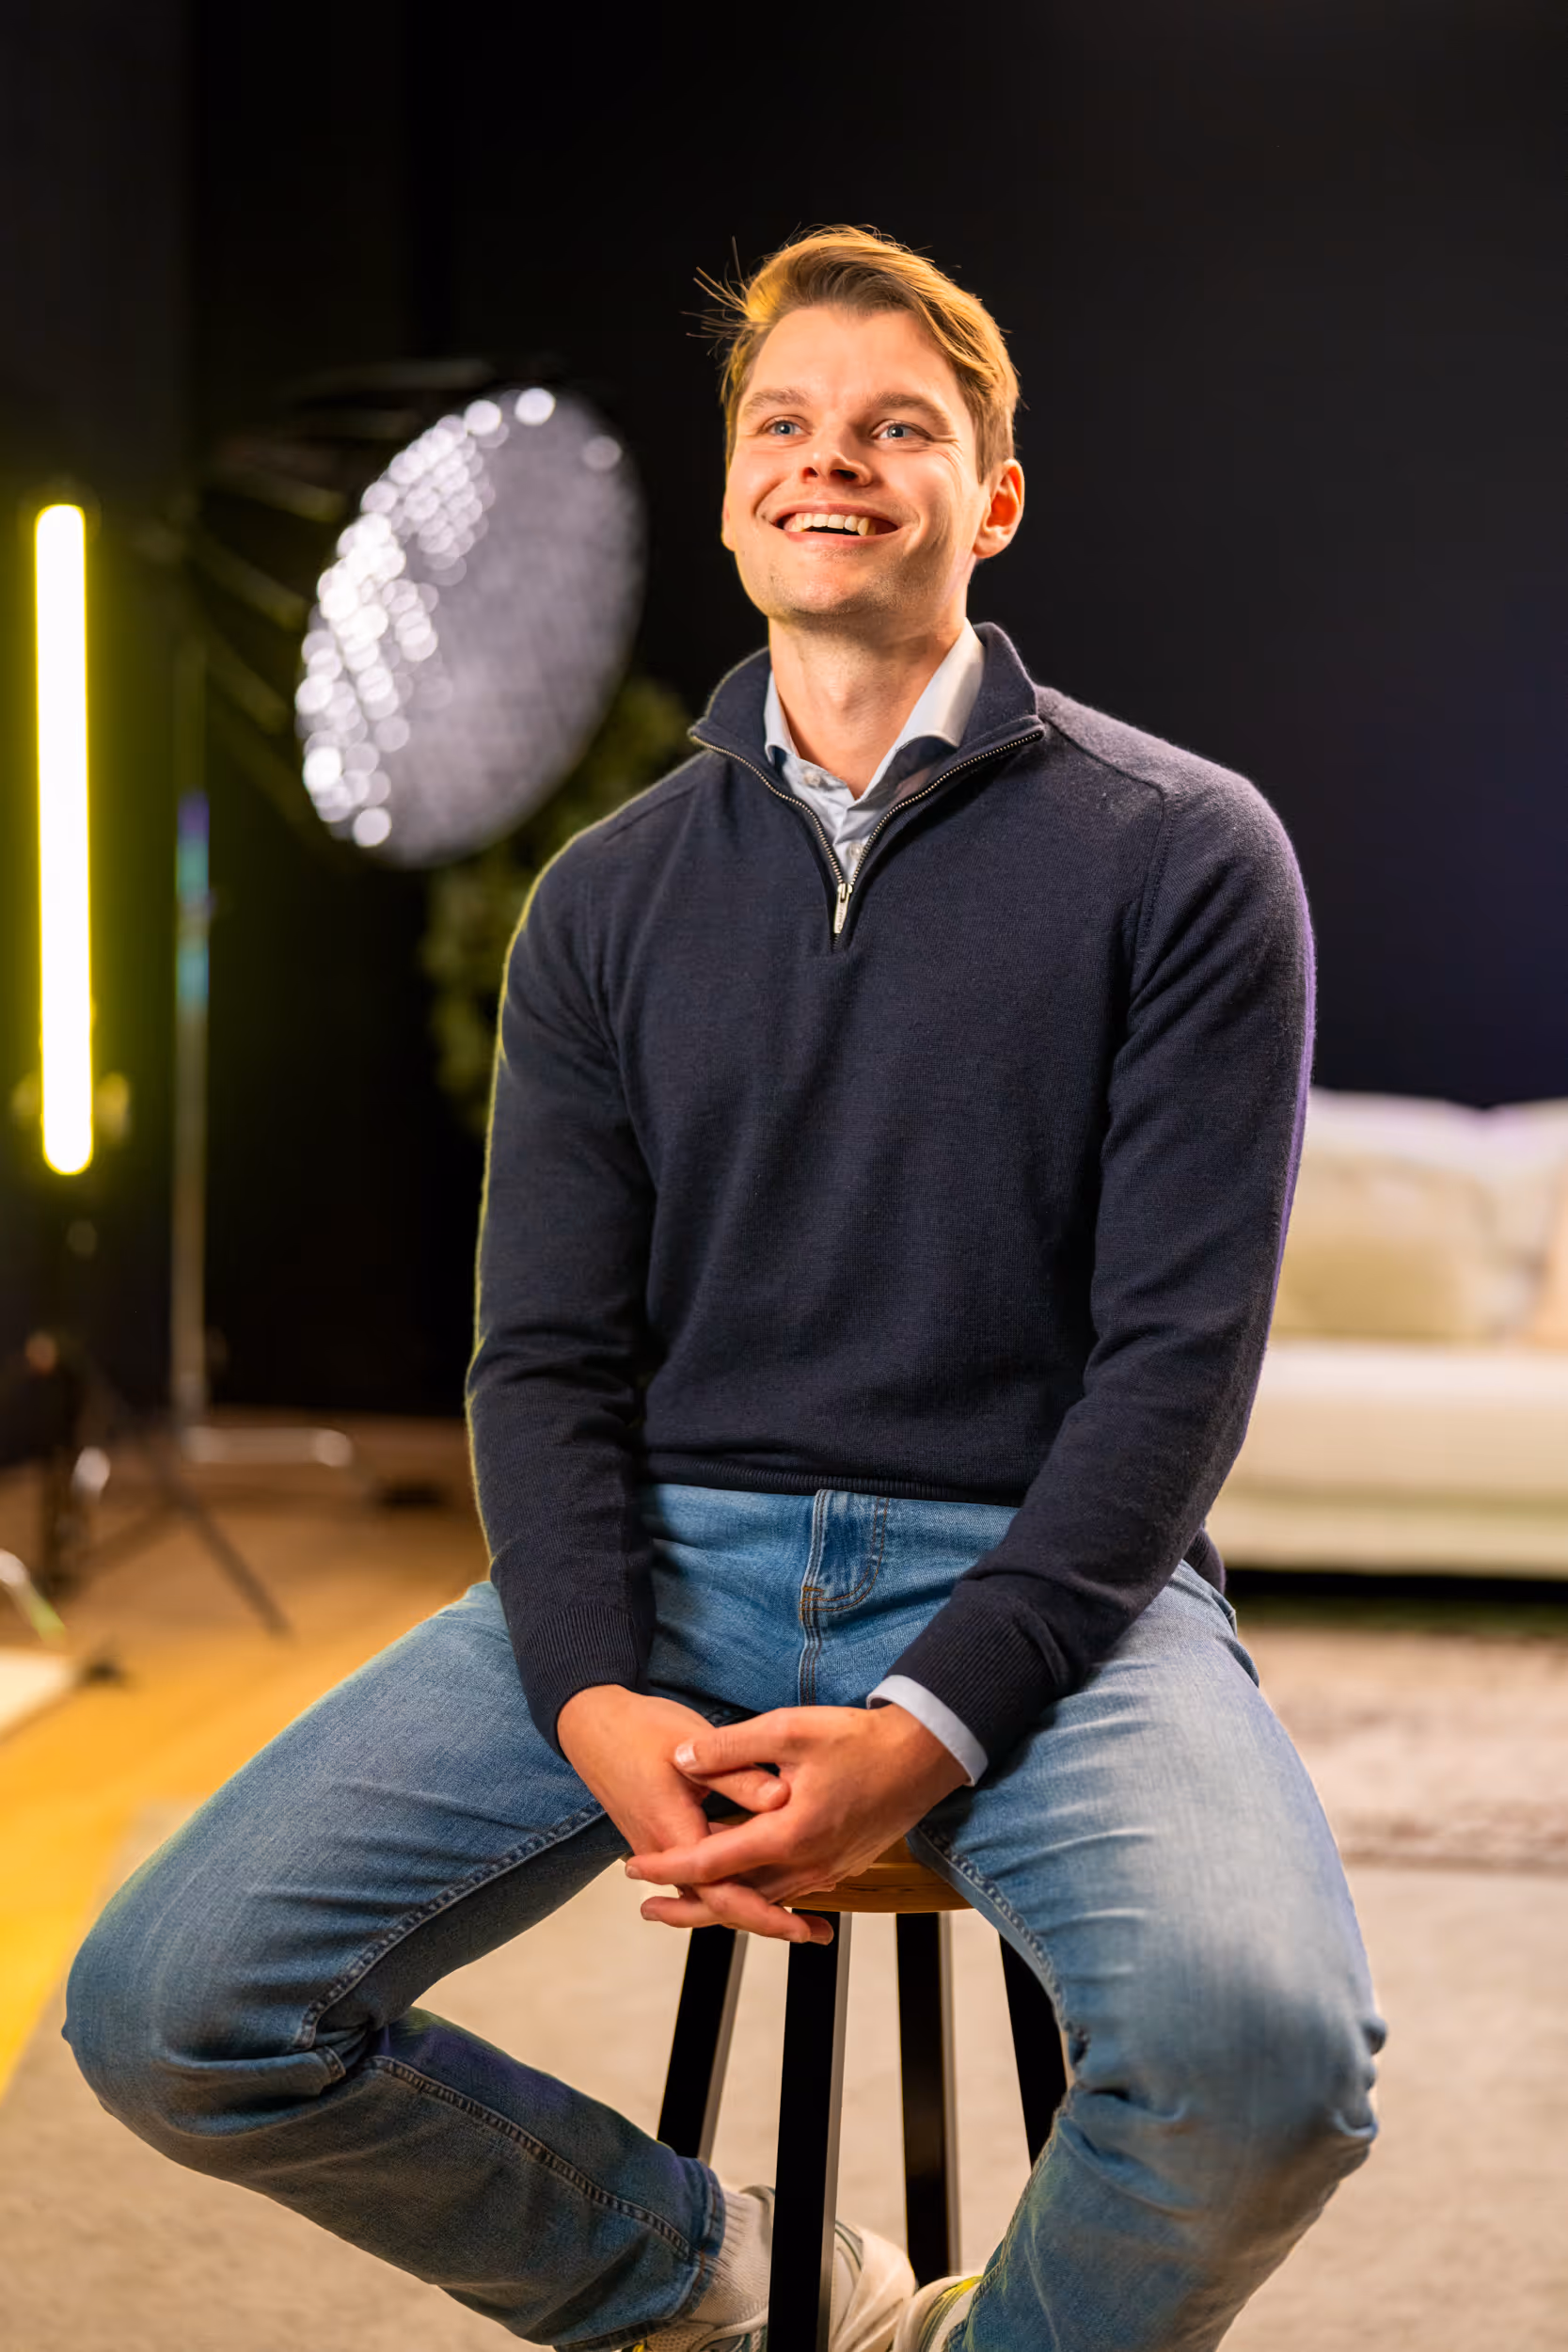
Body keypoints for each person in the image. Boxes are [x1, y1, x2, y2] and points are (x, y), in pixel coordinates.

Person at [65, 226, 1383, 2352]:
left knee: (1268, 2065)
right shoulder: (603, 901)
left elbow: (1170, 1373)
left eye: (894, 427)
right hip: (669, 1561)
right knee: (167, 2006)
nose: (827, 459)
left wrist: (929, 1723)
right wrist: (591, 1689)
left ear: (991, 499)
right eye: (784, 422)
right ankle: (729, 2282)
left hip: (1047, 1575)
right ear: (732, 489)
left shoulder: (1182, 851)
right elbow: (542, 1360)